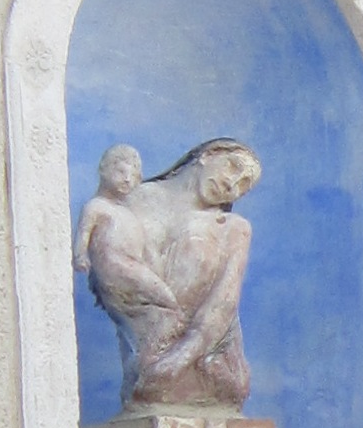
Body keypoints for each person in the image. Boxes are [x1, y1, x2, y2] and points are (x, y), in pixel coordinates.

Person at [75, 136, 261, 409]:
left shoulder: (231, 228)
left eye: (243, 187)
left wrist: (180, 357)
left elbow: (224, 302)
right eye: (232, 167)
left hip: (204, 350)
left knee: (232, 383)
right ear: (208, 155)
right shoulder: (131, 200)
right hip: (150, 340)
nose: (231, 185)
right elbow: (111, 273)